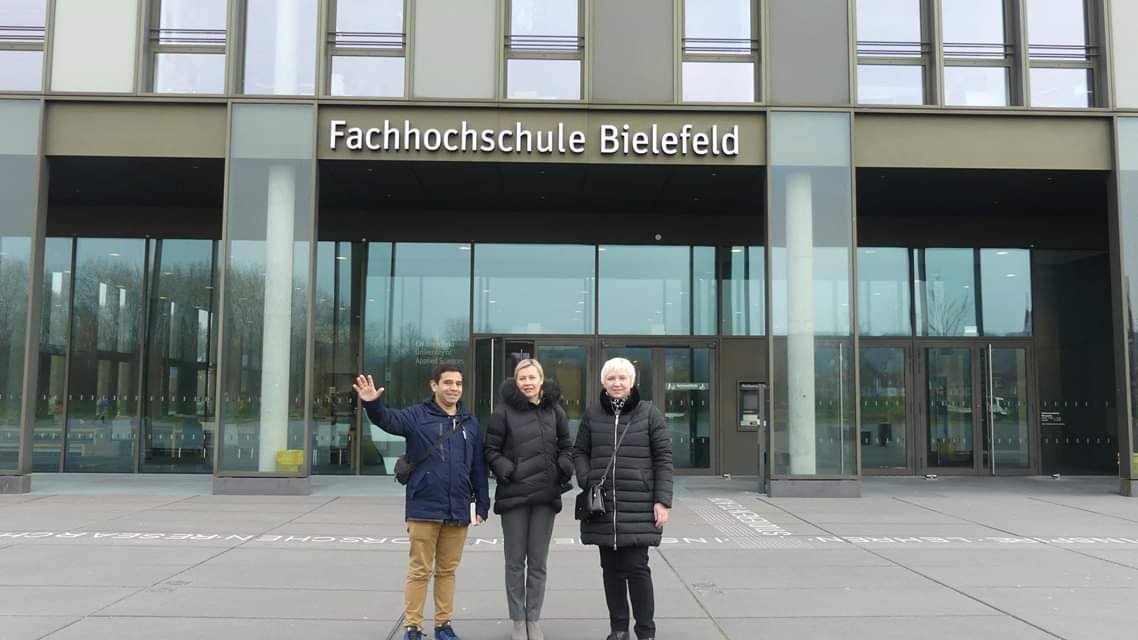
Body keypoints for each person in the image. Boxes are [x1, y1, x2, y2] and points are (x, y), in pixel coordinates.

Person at [353, 366, 490, 640]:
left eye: (458, 383)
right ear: (434, 385)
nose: (454, 388)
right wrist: (372, 404)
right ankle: (413, 627)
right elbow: (387, 420)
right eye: (448, 382)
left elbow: (478, 467)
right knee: (419, 571)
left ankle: (443, 626)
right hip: (424, 507)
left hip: (458, 508)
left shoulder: (470, 423)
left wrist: (483, 504)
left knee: (447, 572)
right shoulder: (417, 416)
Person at [573, 357, 673, 640]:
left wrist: (662, 500)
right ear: (603, 383)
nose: (617, 383)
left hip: (638, 505)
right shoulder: (593, 415)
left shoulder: (649, 414)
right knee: (611, 570)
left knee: (637, 569)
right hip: (602, 507)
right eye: (611, 378)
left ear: (632, 382)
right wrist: (587, 478)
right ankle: (618, 629)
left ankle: (645, 631)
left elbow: (664, 459)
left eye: (622, 378)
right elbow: (579, 451)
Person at [484, 359, 574, 640]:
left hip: (545, 496)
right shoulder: (502, 412)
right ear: (516, 381)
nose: (527, 383)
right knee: (514, 562)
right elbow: (490, 450)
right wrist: (508, 470)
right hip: (514, 496)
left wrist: (563, 466)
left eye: (532, 377)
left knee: (538, 562)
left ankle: (533, 619)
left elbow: (567, 447)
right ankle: (517, 620)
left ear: (541, 379)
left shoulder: (555, 410)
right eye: (522, 378)